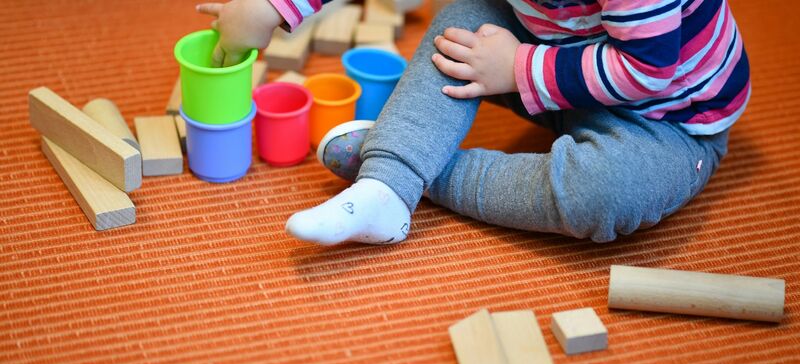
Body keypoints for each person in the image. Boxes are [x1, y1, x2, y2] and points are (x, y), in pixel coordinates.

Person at [198, 0, 750, 245]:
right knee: (462, 21)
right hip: (544, 48)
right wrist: (272, 6)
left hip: (663, 117)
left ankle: (410, 167)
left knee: (606, 194)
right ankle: (388, 187)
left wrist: (515, 66)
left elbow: (650, 70)